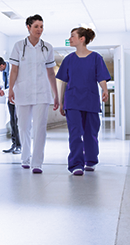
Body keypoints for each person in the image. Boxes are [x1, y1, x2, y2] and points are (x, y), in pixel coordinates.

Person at [7, 15, 59, 174]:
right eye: (36, 26)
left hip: (42, 92)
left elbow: (51, 73)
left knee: (40, 128)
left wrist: (55, 94)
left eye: (42, 26)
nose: (39, 30)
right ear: (28, 27)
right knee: (23, 127)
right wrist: (10, 89)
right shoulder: (18, 46)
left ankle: (37, 163)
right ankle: (25, 157)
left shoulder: (47, 47)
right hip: (22, 92)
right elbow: (14, 70)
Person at [56, 27, 110, 176]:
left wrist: (105, 90)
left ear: (82, 39)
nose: (70, 39)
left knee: (90, 133)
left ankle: (91, 160)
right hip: (72, 101)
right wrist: (61, 102)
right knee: (75, 133)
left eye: (72, 36)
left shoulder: (96, 58)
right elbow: (64, 82)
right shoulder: (68, 59)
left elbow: (101, 77)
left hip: (90, 99)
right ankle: (76, 164)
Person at [0, 57, 21, 154]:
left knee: (17, 122)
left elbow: (17, 85)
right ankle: (14, 144)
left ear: (2, 65)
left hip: (18, 97)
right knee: (12, 121)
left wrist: (4, 91)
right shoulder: (3, 71)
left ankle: (19, 146)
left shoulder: (15, 68)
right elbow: (6, 83)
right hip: (10, 98)